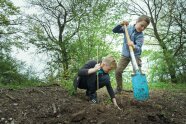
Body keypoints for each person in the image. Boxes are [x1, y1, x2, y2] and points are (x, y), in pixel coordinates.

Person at [112, 15, 150, 94]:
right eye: (141, 25)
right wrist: (121, 24)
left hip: (135, 56)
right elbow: (114, 30)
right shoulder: (127, 28)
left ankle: (139, 90)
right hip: (125, 55)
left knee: (137, 72)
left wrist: (134, 46)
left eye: (144, 27)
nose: (142, 28)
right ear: (137, 22)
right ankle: (119, 89)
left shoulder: (140, 36)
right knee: (118, 71)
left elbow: (139, 48)